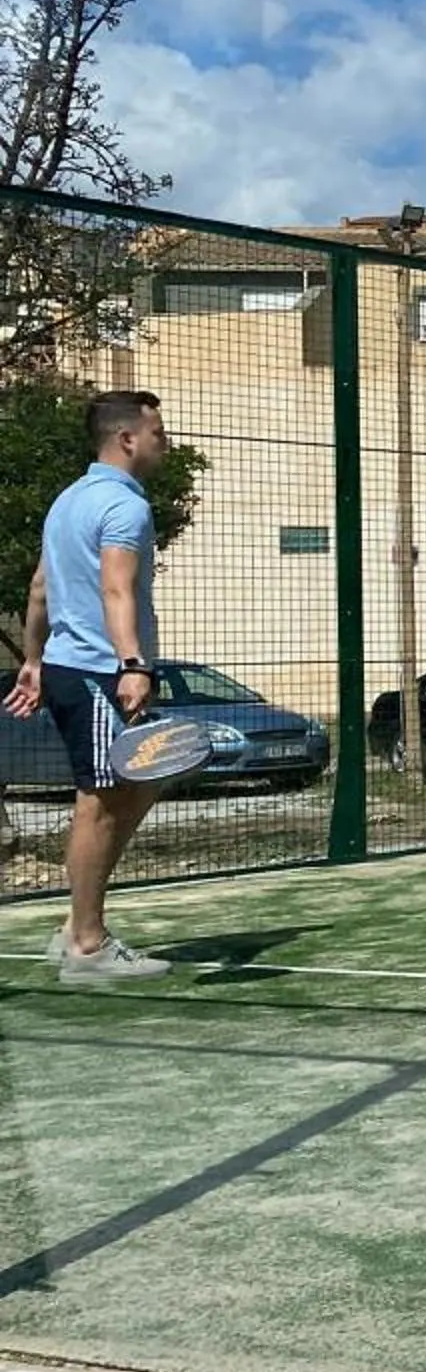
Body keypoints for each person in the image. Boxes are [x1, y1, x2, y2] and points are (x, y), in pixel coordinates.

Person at [5, 390, 179, 984]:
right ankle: (86, 944)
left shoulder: (68, 501)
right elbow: (115, 588)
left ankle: (76, 924)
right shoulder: (124, 506)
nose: (164, 442)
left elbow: (39, 588)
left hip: (69, 668)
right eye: (157, 433)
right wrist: (133, 663)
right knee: (99, 801)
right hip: (101, 671)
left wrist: (34, 659)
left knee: (145, 777)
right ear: (127, 439)